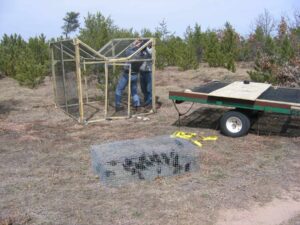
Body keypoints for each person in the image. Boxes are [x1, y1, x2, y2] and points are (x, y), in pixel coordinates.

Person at [115, 39, 144, 112]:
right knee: (134, 91)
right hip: (135, 74)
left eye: (139, 43)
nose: (137, 44)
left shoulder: (132, 53)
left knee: (119, 89)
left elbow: (127, 51)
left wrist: (134, 44)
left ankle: (118, 105)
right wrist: (137, 45)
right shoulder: (142, 54)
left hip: (127, 74)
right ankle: (137, 105)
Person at [139, 42, 152, 107]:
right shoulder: (143, 50)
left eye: (149, 43)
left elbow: (150, 53)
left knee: (149, 88)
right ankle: (146, 100)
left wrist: (145, 47)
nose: (148, 44)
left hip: (148, 72)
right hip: (141, 72)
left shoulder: (152, 50)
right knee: (143, 88)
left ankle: (149, 102)